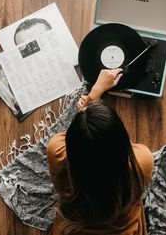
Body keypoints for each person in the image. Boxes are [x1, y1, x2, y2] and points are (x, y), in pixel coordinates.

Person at [47, 68, 154, 235]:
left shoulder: (56, 152)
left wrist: (93, 96)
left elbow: (72, 138)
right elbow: (124, 147)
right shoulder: (142, 161)